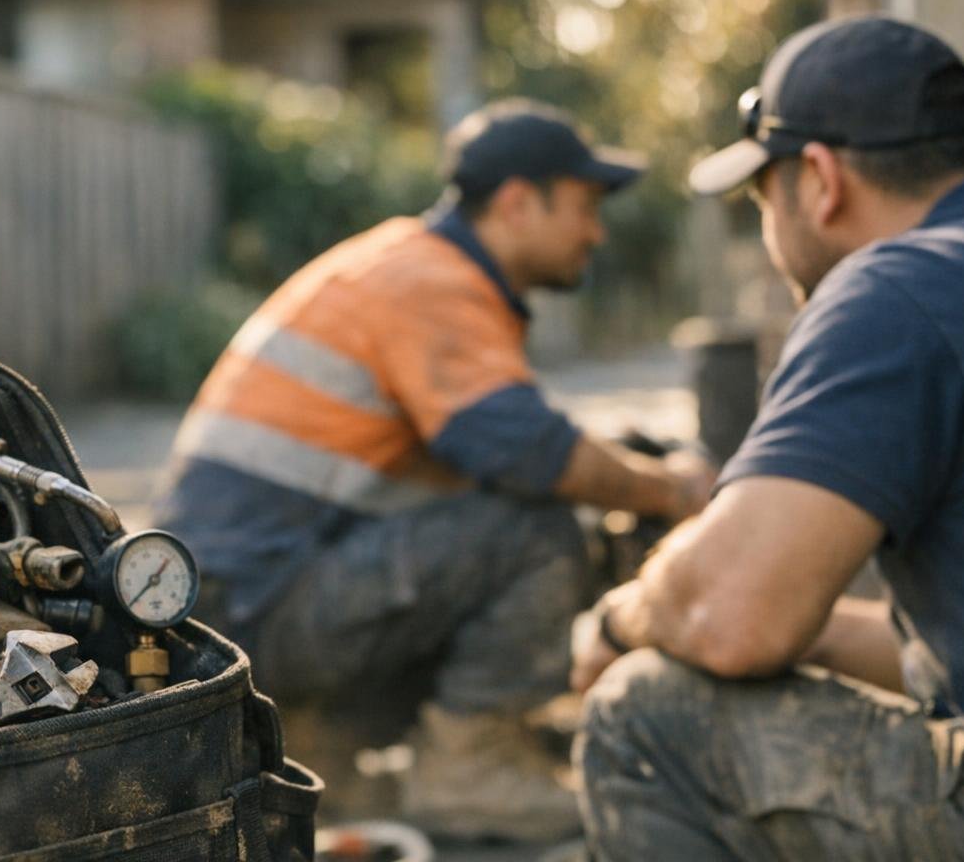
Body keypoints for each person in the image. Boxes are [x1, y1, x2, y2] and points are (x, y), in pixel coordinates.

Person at [570, 16, 964, 861]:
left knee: (644, 715)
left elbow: (731, 617)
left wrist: (624, 623)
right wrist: (816, 626)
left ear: (818, 180)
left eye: (761, 196)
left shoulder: (894, 287)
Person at [154, 98, 713, 841]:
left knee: (559, 498)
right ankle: (467, 772)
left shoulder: (408, 265)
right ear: (517, 202)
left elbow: (498, 448)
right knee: (539, 529)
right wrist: (674, 489)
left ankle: (332, 745)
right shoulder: (430, 280)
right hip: (259, 613)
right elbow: (531, 455)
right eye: (584, 206)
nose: (596, 231)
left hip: (239, 610)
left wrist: (631, 463)